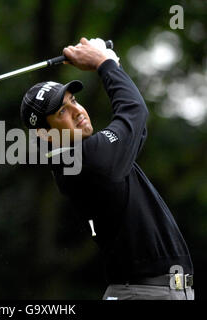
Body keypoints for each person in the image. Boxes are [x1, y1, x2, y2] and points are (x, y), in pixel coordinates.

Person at [19, 37, 194, 300]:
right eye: (62, 112)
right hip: (144, 293)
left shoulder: (82, 159)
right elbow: (134, 112)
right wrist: (104, 63)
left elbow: (136, 129)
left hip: (149, 291)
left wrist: (112, 63)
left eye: (74, 100)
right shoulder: (85, 160)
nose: (77, 111)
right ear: (47, 136)